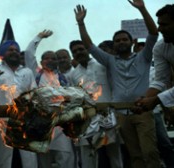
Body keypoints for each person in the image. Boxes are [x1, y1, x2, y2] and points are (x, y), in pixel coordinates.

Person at [74, 0, 160, 167]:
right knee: (134, 154)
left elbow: (153, 34)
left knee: (149, 151)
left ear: (132, 41)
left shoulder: (144, 57)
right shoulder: (110, 61)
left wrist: (142, 9)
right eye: (117, 40)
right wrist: (81, 23)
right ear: (114, 44)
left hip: (142, 110)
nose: (121, 42)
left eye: (124, 39)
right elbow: (89, 46)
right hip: (121, 114)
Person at [69, 40, 123, 168]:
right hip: (87, 120)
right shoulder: (74, 74)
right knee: (88, 155)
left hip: (108, 116)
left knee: (114, 155)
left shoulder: (102, 65)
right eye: (75, 51)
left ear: (87, 50)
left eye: (81, 49)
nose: (78, 52)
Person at [134, 4, 174, 168]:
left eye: (164, 24)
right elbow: (160, 80)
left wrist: (156, 100)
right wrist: (145, 100)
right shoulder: (161, 46)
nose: (160, 29)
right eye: (159, 23)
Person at [0, 40, 38, 168]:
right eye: (10, 50)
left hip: (24, 121)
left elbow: (34, 95)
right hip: (2, 122)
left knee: (28, 158)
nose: (14, 52)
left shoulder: (27, 72)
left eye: (16, 50)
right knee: (4, 159)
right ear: (2, 54)